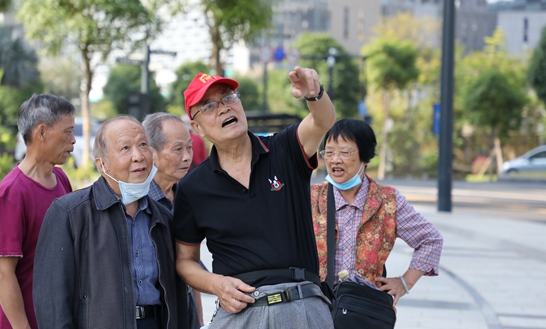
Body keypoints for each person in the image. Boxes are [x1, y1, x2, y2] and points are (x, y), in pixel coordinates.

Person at [173, 68, 336, 328]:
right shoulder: (192, 187)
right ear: (197, 127)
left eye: (228, 97)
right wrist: (216, 284)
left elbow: (322, 121)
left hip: (302, 304)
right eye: (210, 106)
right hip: (240, 312)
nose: (224, 108)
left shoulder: (285, 149)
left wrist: (315, 95)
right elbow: (185, 260)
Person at [33, 115, 189, 329]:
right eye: (125, 148)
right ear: (102, 164)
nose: (138, 156)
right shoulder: (70, 213)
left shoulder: (163, 216)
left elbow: (178, 295)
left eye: (143, 145)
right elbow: (52, 301)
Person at [311, 118, 443, 308]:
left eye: (345, 152)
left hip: (365, 309)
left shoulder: (388, 201)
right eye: (329, 152)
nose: (335, 160)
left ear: (365, 158)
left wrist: (405, 282)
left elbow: (431, 240)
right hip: (316, 307)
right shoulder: (311, 198)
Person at [0, 94, 75, 329]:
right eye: (68, 132)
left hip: (56, 318)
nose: (73, 141)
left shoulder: (61, 179)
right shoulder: (11, 193)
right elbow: (3, 273)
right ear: (42, 132)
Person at [142, 112, 204, 328]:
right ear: (151, 153)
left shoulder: (188, 196)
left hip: (184, 311)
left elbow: (192, 261)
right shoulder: (137, 203)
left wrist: (199, 321)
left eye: (189, 147)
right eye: (178, 149)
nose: (187, 157)